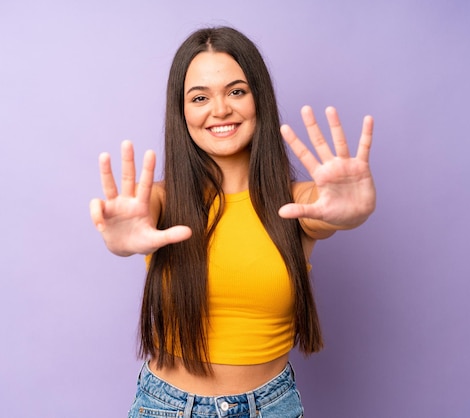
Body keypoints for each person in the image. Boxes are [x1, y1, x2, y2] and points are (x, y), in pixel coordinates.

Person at [89, 26, 375, 418]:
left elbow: (327, 212)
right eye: (200, 97)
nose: (220, 109)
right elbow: (129, 231)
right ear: (182, 111)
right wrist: (120, 241)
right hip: (166, 408)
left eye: (236, 91)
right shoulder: (159, 199)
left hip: (272, 407)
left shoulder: (296, 203)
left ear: (259, 98)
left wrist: (351, 212)